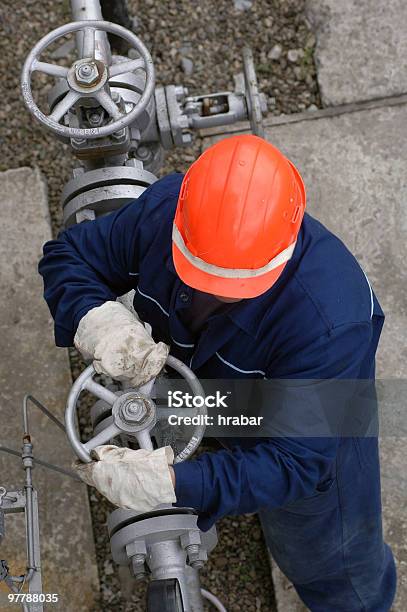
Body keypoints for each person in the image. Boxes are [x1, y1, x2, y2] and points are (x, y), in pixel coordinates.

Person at [39, 135, 396, 611]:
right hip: (207, 393)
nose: (201, 291)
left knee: (329, 555)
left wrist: (174, 484)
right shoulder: (167, 209)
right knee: (224, 450)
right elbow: (69, 257)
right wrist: (96, 320)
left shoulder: (332, 322)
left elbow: (297, 461)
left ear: (280, 257)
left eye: (230, 287)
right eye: (193, 270)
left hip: (296, 422)